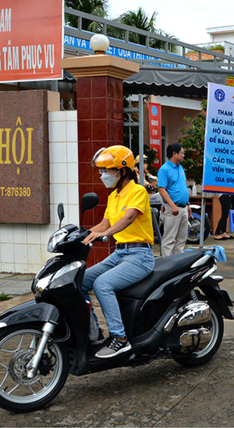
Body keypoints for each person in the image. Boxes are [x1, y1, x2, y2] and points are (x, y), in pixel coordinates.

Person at [81, 146, 155, 358]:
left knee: (102, 284)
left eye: (107, 170)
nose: (103, 175)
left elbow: (129, 218)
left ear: (122, 171)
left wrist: (108, 233)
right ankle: (93, 334)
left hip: (140, 256)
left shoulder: (138, 191)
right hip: (119, 254)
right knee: (82, 279)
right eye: (101, 171)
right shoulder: (114, 196)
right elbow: (103, 224)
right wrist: (78, 233)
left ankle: (120, 339)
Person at [157, 143, 190, 256]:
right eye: (182, 153)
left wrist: (188, 204)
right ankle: (167, 265)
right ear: (174, 154)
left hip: (183, 207)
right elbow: (162, 189)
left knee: (181, 239)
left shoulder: (180, 168)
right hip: (172, 208)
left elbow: (182, 187)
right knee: (169, 239)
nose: (183, 155)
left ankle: (178, 264)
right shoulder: (164, 169)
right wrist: (172, 205)